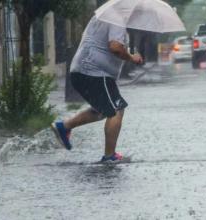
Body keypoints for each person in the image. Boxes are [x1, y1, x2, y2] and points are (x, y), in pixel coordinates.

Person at [51, 15, 143, 163]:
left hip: (84, 70)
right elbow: (115, 47)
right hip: (94, 72)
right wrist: (132, 58)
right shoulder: (117, 18)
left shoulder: (104, 16)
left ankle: (64, 126)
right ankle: (109, 156)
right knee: (116, 109)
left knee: (103, 110)